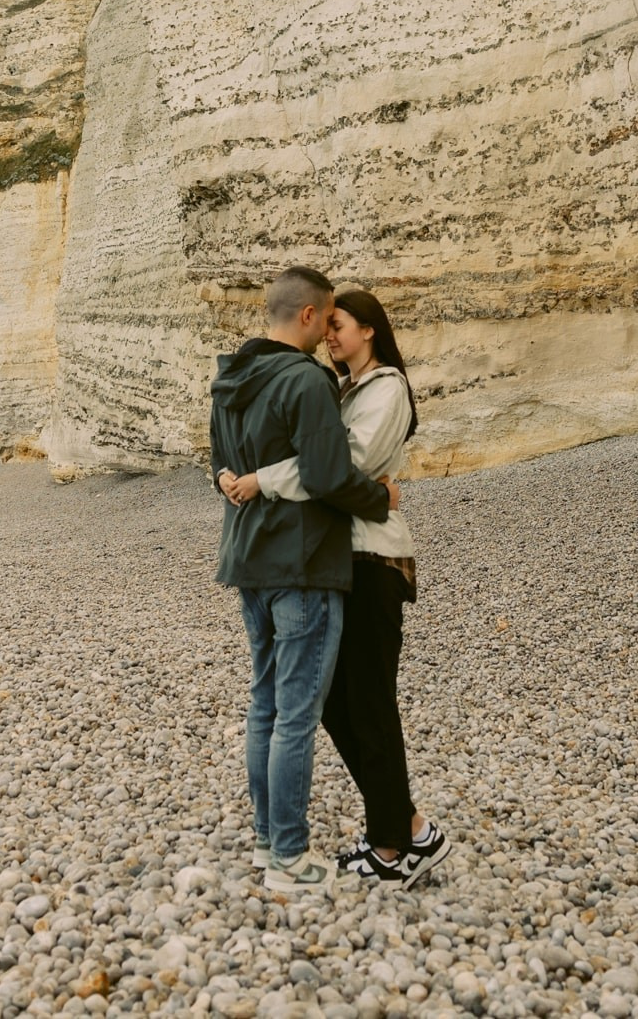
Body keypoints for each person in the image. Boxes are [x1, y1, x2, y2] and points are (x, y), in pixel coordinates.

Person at [223, 288, 448, 886]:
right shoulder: (341, 387)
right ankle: (410, 829)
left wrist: (261, 479)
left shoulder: (388, 388)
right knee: (335, 706)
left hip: (376, 560)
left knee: (369, 705)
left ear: (369, 330)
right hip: (343, 559)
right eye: (328, 325)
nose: (330, 334)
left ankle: (395, 846)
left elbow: (339, 463)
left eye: (340, 324)